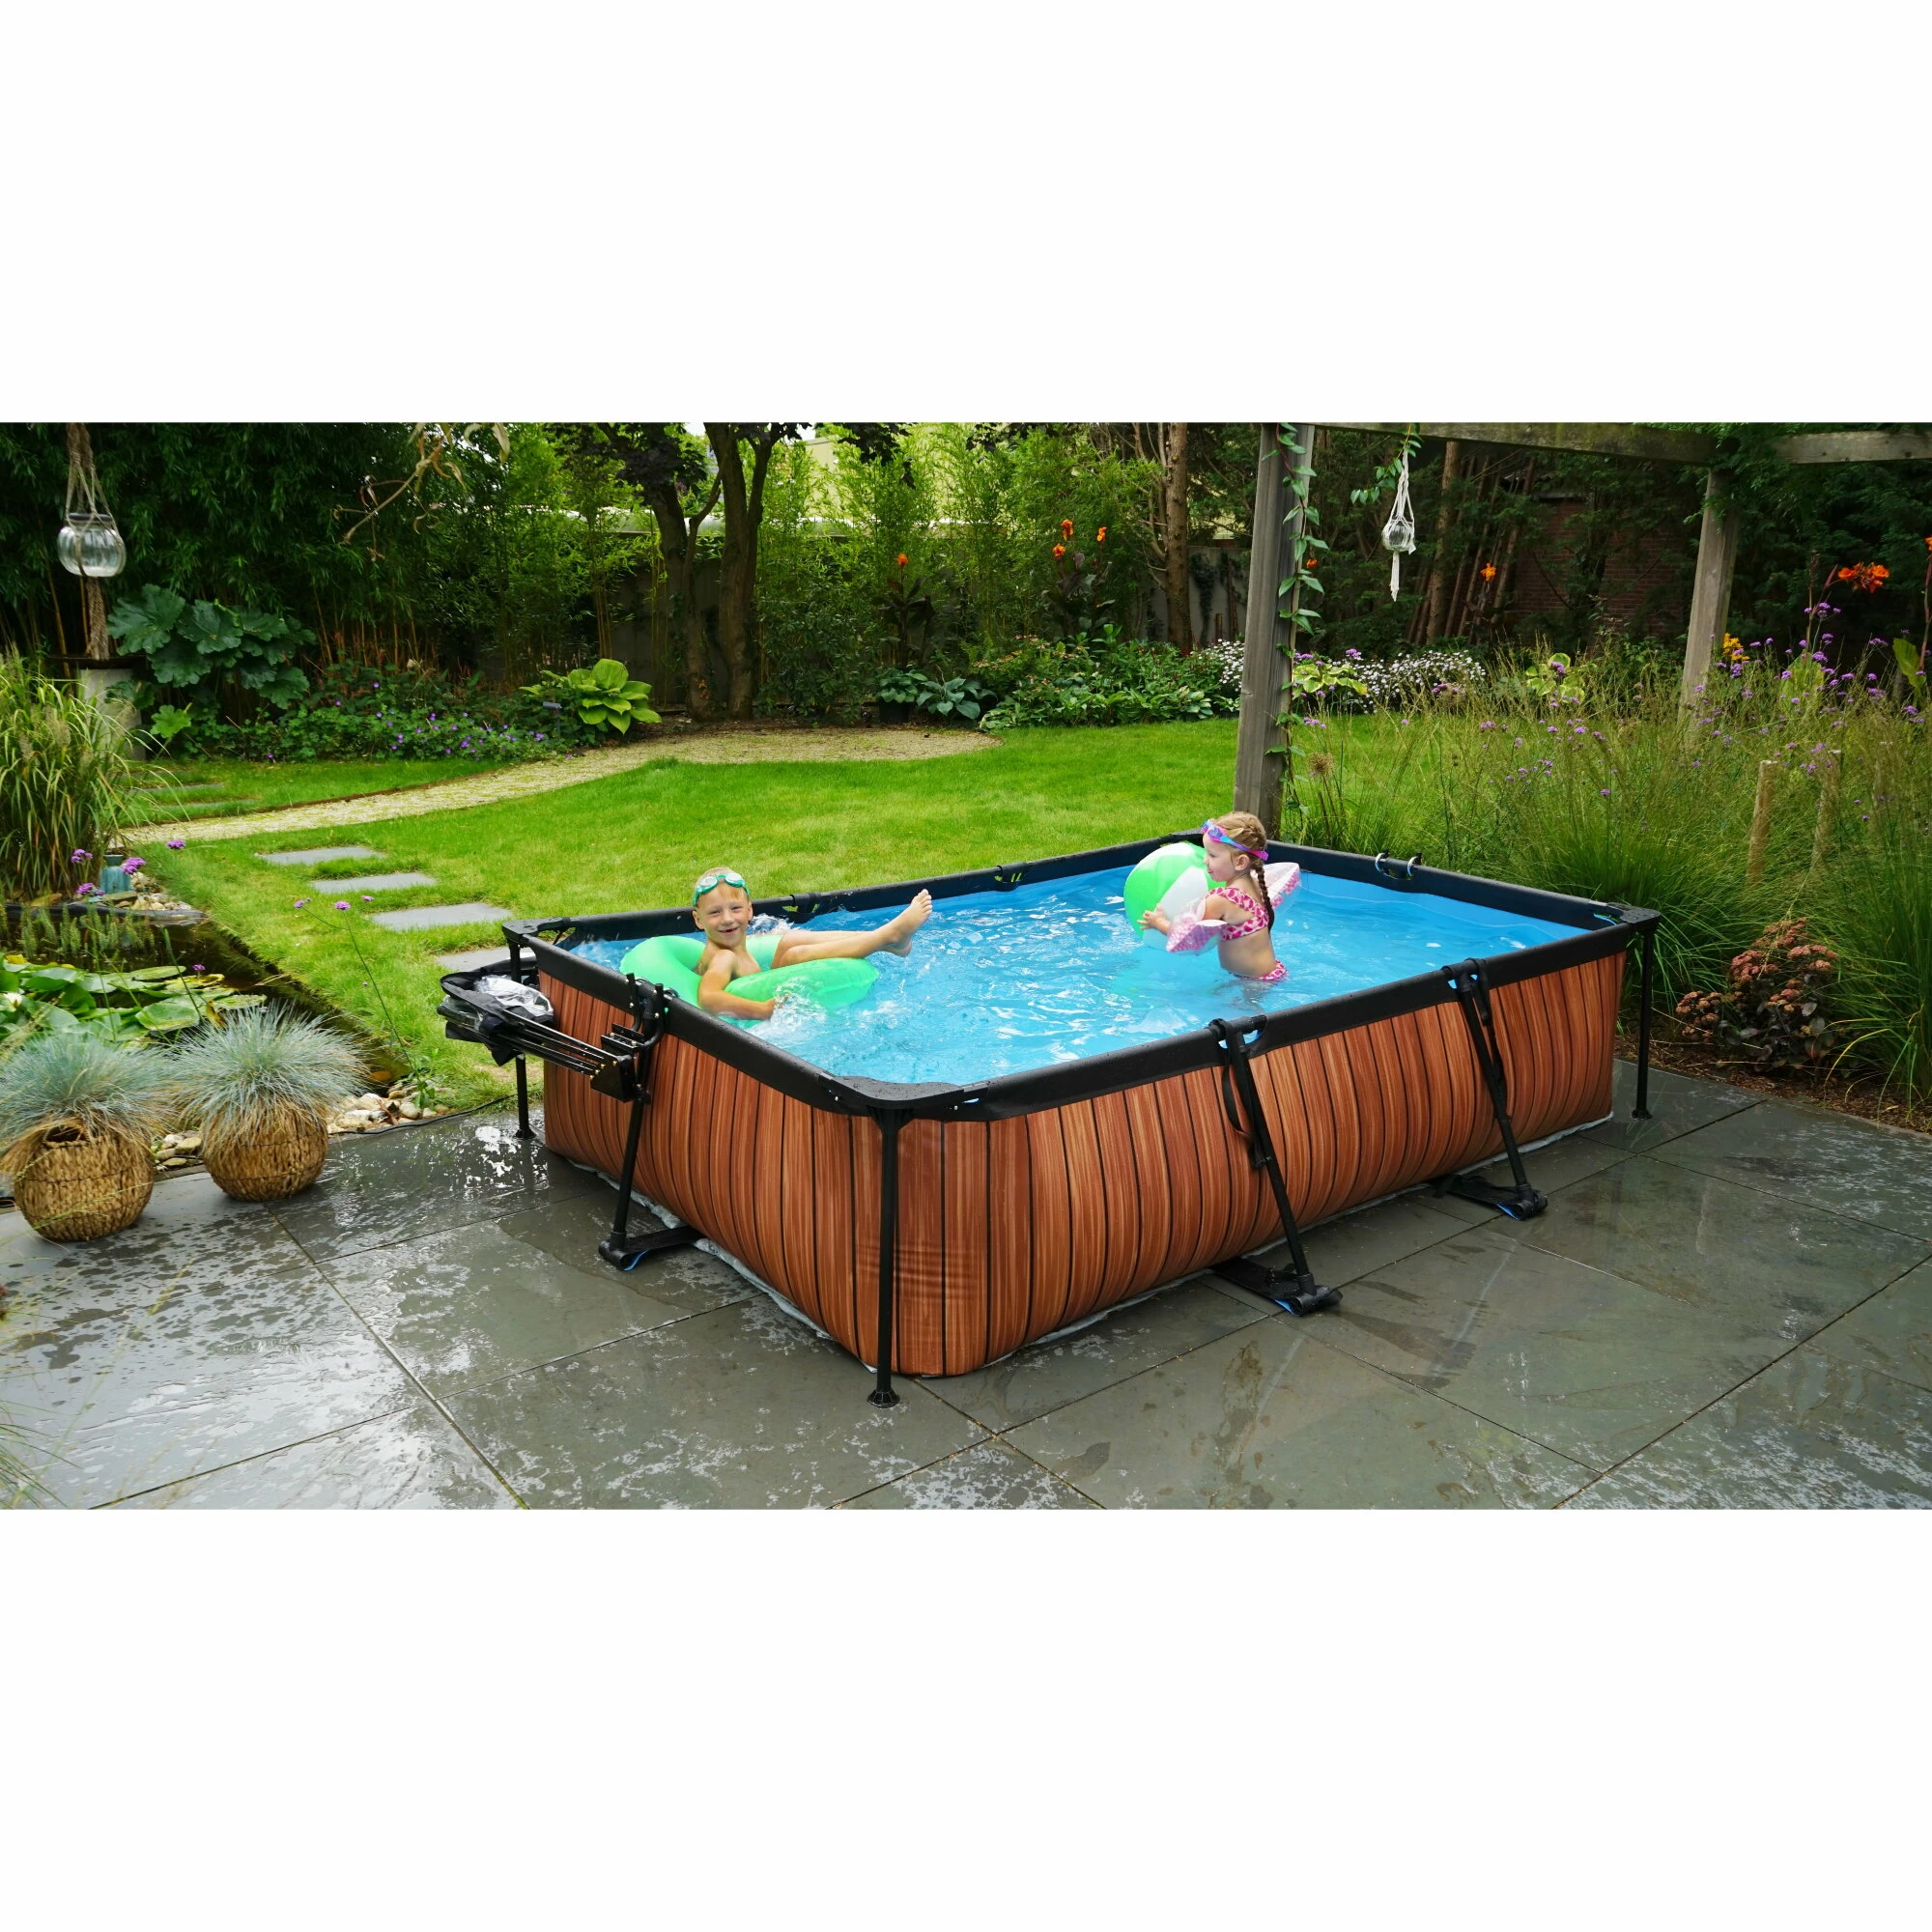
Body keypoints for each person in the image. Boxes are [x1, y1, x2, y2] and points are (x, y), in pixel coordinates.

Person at [689, 867, 932, 1020]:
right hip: (761, 1012)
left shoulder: (735, 947)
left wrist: (776, 935)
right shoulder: (724, 957)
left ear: (750, 910)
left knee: (789, 942)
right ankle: (887, 937)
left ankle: (889, 940)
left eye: (735, 908)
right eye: (715, 913)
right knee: (794, 956)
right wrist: (764, 1010)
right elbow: (708, 998)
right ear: (698, 920)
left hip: (764, 984)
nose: (727, 919)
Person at [1139, 812, 1295, 984]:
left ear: (1240, 862)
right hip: (1271, 972)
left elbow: (1186, 934)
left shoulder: (1223, 899)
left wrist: (1158, 922)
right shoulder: (1256, 884)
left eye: (1212, 855)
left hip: (1251, 983)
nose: (1205, 860)